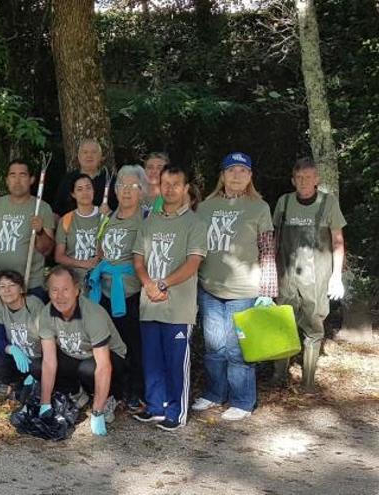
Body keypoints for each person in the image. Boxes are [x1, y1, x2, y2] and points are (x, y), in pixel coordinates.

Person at [191, 152, 277, 421]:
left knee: (238, 349)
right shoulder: (205, 207)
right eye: (231, 170)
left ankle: (242, 400)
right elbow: (194, 247)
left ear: (250, 176)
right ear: (223, 175)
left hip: (245, 290)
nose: (236, 175)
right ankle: (215, 393)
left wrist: (268, 292)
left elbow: (267, 250)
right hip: (210, 287)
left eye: (242, 171)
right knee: (214, 347)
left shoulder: (259, 207)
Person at [132, 165, 207, 431]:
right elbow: (138, 259)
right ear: (159, 186)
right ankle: (155, 406)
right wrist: (149, 285)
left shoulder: (194, 223)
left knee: (175, 362)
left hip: (178, 307)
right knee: (152, 359)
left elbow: (193, 263)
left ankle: (176, 410)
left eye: (176, 184)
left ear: (186, 188)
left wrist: (162, 283)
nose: (170, 189)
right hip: (149, 302)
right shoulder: (149, 219)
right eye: (165, 183)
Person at [272, 157, 346, 392]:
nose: (303, 182)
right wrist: (268, 272)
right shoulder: (283, 203)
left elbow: (337, 241)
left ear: (317, 179)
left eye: (308, 177)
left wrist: (337, 277)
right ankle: (278, 377)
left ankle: (308, 382)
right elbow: (273, 240)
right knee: (283, 323)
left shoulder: (328, 203)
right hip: (285, 276)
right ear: (293, 180)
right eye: (299, 178)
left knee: (314, 327)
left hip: (318, 278)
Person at [34, 266, 128, 437]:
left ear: (77, 290)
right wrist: (44, 403)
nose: (60, 296)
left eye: (65, 289)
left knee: (88, 369)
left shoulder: (93, 314)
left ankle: (108, 399)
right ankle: (78, 393)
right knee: (38, 365)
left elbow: (104, 366)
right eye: (54, 290)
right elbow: (49, 360)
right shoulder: (46, 314)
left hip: (108, 358)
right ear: (48, 292)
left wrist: (97, 412)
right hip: (76, 354)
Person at [89, 165, 148, 411]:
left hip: (130, 292)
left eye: (133, 186)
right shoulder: (109, 217)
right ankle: (115, 390)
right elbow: (100, 250)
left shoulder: (146, 218)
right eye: (122, 185)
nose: (126, 191)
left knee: (133, 345)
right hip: (105, 291)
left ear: (142, 191)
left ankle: (135, 392)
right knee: (110, 345)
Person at [0, 160, 55, 301]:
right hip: (0, 284)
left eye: (22, 175)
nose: (17, 180)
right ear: (7, 180)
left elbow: (47, 250)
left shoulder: (42, 208)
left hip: (30, 283)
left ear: (31, 180)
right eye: (13, 175)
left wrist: (40, 232)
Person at [55, 173, 102, 286]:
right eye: (79, 189)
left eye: (88, 188)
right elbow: (59, 256)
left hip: (100, 277)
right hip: (73, 279)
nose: (85, 193)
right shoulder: (66, 220)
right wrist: (83, 264)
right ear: (73, 194)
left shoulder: (104, 217)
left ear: (93, 191)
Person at [52, 138, 117, 215]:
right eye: (85, 152)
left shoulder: (111, 180)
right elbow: (56, 211)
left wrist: (110, 213)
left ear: (100, 157)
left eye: (94, 152)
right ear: (79, 157)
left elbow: (122, 211)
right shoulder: (68, 180)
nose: (89, 155)